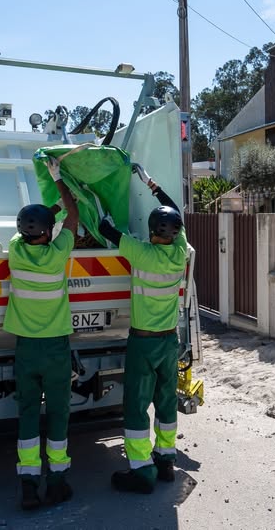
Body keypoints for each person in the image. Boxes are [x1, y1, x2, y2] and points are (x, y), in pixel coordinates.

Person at [98, 178, 189, 494]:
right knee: (165, 401)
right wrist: (155, 188)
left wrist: (100, 208)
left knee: (137, 404)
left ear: (152, 232)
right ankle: (165, 460)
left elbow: (107, 232)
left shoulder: (141, 253)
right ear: (175, 232)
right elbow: (176, 212)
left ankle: (141, 470)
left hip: (143, 342)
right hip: (169, 341)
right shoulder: (180, 252)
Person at [3, 157, 79, 510]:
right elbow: (74, 219)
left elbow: (28, 230)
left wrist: (44, 213)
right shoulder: (58, 254)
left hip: (26, 350)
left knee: (29, 413)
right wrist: (60, 183)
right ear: (49, 232)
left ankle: (28, 483)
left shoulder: (16, 252)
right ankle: (58, 481)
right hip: (55, 349)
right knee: (59, 413)